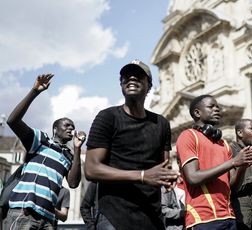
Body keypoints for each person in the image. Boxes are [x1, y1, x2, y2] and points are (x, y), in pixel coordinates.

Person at [84, 59, 180, 230]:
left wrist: (169, 177)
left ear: (149, 85)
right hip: (114, 218)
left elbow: (163, 168)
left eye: (138, 76)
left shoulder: (162, 123)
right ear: (121, 84)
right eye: (126, 76)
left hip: (152, 217)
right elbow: (91, 169)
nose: (131, 79)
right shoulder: (107, 117)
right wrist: (142, 175)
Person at [4, 74, 85, 230]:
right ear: (55, 129)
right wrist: (35, 91)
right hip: (23, 213)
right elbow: (12, 121)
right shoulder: (41, 140)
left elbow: (74, 183)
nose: (71, 128)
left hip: (48, 220)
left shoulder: (68, 155)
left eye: (73, 127)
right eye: (67, 125)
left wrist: (77, 148)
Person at [176, 94, 252, 230]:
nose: (217, 109)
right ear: (197, 113)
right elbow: (193, 177)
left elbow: (232, 185)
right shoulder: (188, 136)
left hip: (229, 216)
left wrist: (242, 166)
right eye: (211, 106)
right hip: (202, 218)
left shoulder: (224, 144)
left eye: (218, 107)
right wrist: (233, 162)